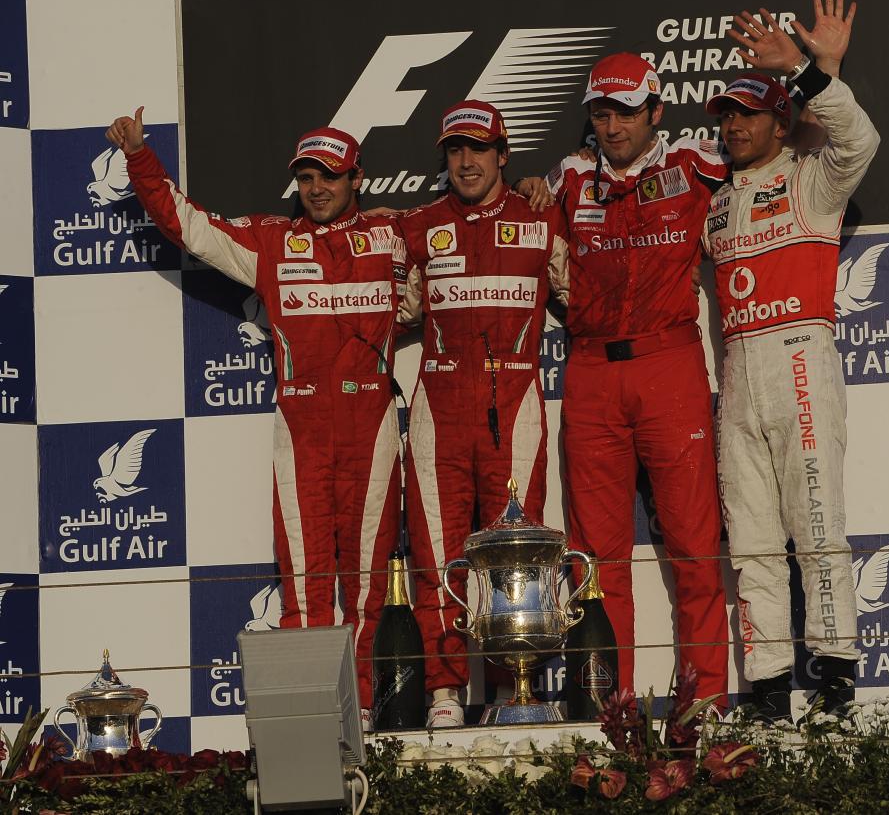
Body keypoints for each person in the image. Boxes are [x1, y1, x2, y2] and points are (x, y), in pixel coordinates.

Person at [105, 110, 408, 728]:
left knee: (371, 586)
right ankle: (316, 721)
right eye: (305, 178)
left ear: (357, 178)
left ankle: (372, 712)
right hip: (300, 428)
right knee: (302, 588)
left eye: (330, 176)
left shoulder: (395, 235)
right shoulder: (271, 241)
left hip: (371, 426)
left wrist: (535, 194)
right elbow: (189, 226)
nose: (317, 188)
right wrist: (140, 157)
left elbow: (473, 242)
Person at [703, 0, 879, 722]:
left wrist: (812, 69)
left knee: (816, 524)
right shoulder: (713, 198)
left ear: (781, 118)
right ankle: (769, 686)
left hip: (801, 357)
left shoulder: (812, 181)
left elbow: (859, 140)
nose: (736, 125)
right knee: (750, 542)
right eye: (727, 115)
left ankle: (836, 673)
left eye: (750, 112)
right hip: (738, 370)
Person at [539, 53, 730, 705]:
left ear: (656, 109)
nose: (612, 125)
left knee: (696, 547)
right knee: (593, 560)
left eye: (625, 111)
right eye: (600, 111)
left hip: (668, 364)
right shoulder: (566, 179)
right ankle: (604, 713)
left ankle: (705, 709)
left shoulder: (696, 164)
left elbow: (782, 166)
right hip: (590, 368)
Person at [397, 100, 569, 727]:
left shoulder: (542, 218)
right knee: (437, 551)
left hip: (515, 404)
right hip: (439, 408)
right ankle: (444, 689)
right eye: (454, 151)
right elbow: (396, 310)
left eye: (478, 149)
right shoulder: (417, 228)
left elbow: (584, 296)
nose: (466, 162)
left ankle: (510, 685)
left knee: (515, 550)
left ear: (503, 154)